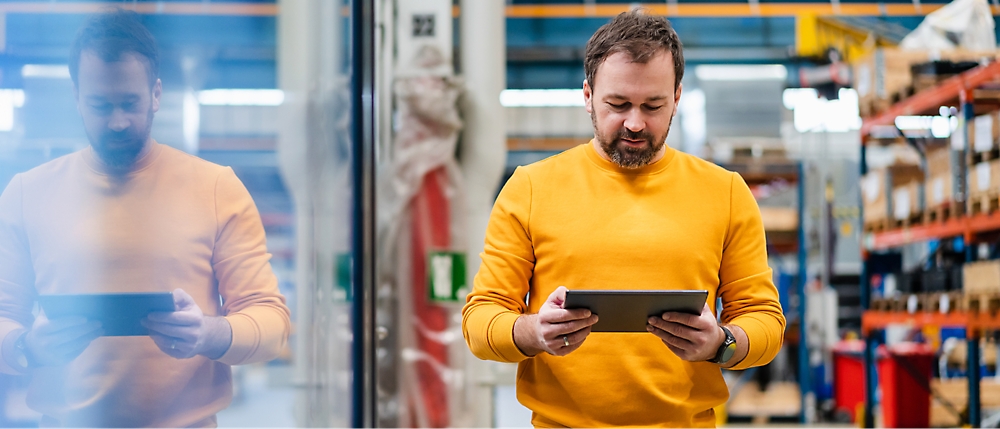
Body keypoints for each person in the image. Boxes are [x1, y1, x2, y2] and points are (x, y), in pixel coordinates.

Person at [462, 10, 785, 427]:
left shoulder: (724, 192)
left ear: (678, 98)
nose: (635, 123)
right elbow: (481, 320)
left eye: (653, 105)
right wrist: (534, 331)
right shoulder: (530, 188)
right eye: (617, 104)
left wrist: (722, 343)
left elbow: (764, 321)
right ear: (587, 95)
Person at [0, 9, 290, 427]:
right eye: (100, 105)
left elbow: (272, 322)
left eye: (130, 103)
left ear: (156, 94)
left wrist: (207, 334)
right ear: (76, 97)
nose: (118, 121)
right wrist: (27, 347)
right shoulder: (27, 194)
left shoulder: (216, 188)